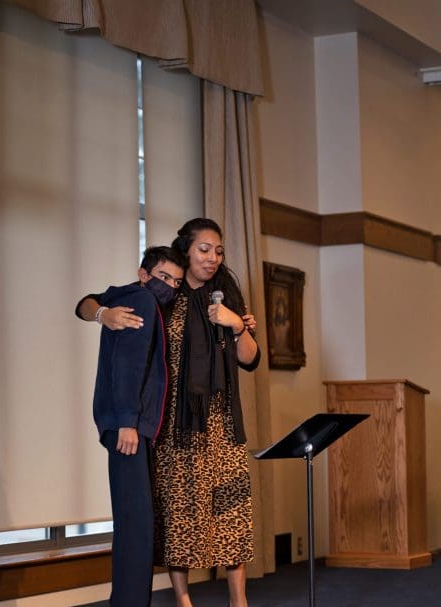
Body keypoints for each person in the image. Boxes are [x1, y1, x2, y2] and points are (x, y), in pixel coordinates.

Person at [77, 218, 259, 607]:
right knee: (179, 514)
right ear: (186, 251)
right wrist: (103, 315)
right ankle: (183, 599)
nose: (212, 258)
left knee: (232, 509)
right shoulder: (163, 293)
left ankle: (239, 601)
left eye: (218, 251)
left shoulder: (225, 296)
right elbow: (87, 302)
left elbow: (251, 359)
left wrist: (236, 325)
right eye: (204, 250)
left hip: (221, 421)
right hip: (173, 422)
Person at [89, 246, 186, 607]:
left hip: (130, 427)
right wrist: (129, 422)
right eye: (164, 277)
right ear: (144, 274)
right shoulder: (143, 303)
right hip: (128, 428)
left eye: (176, 282)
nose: (170, 287)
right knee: (137, 527)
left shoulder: (132, 300)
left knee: (135, 523)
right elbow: (127, 365)